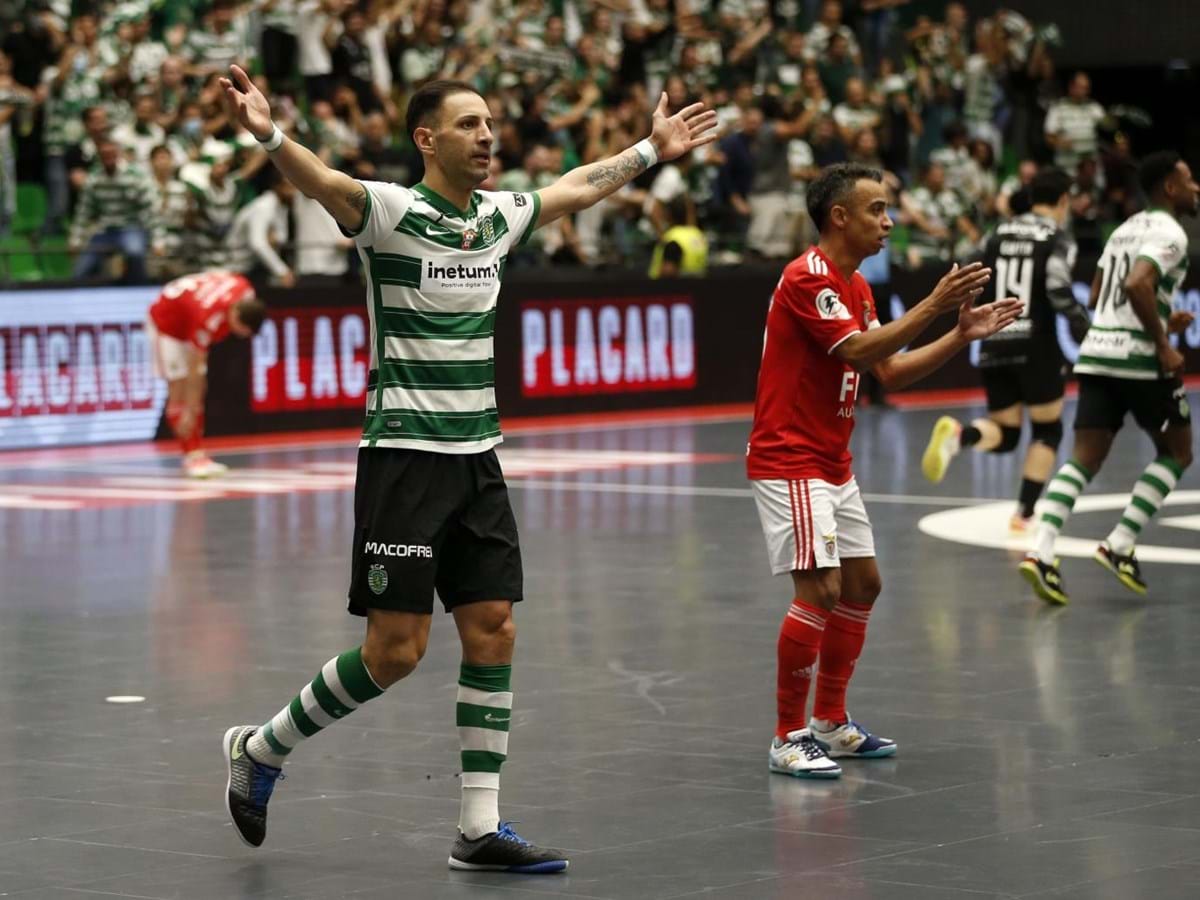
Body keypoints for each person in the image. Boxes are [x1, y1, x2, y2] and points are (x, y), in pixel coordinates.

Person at [216, 65, 717, 871]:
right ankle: (263, 747)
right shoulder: (388, 211)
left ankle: (479, 827)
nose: (488, 136)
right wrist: (268, 133)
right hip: (405, 461)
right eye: (470, 124)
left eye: (490, 123)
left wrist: (649, 151)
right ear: (428, 139)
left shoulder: (497, 217)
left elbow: (577, 189)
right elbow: (322, 181)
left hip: (479, 459)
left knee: (494, 629)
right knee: (396, 652)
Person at [747, 162, 1020, 778]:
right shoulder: (807, 277)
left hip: (831, 461)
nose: (888, 221)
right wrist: (933, 304)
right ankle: (788, 736)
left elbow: (888, 373)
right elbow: (858, 351)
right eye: (876, 209)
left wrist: (959, 334)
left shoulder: (859, 288)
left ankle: (830, 722)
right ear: (838, 216)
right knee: (819, 589)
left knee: (863, 584)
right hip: (790, 456)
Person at [1020, 152, 1198, 605]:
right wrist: (1161, 342)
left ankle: (1041, 552)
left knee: (1083, 459)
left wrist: (1160, 317)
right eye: (1190, 180)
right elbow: (1137, 285)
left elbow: (1100, 293)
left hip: (1098, 353)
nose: (1197, 188)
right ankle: (1120, 543)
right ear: (1170, 189)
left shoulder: (1124, 228)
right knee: (1177, 452)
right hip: (1138, 360)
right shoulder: (1170, 232)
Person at [921, 168, 1091, 531]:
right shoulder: (1058, 236)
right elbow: (1059, 288)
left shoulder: (996, 231)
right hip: (1037, 345)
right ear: (1063, 202)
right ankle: (1024, 514)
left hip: (993, 337)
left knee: (1007, 433)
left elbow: (967, 265)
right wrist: (1085, 329)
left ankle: (959, 435)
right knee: (1047, 431)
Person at [145, 270, 267, 477]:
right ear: (236, 314)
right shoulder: (208, 316)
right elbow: (197, 369)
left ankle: (197, 453)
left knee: (192, 394)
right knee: (179, 389)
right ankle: (192, 456)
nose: (238, 335)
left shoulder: (244, 288)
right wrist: (191, 408)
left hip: (188, 308)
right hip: (167, 323)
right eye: (240, 329)